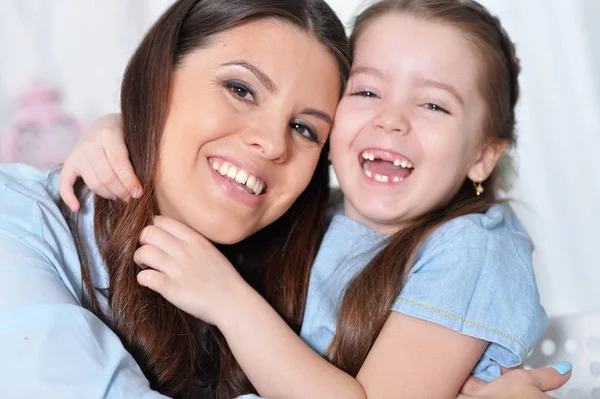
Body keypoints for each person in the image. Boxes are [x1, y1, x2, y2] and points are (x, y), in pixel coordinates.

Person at [58, 0, 574, 398]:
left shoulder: (474, 251)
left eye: (434, 104)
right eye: (367, 93)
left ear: (484, 156)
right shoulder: (314, 214)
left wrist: (228, 301)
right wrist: (121, 128)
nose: (391, 119)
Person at [0, 0, 349, 398]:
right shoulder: (17, 222)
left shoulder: (323, 256)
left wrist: (236, 306)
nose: (272, 144)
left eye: (304, 129)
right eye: (241, 90)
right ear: (158, 78)